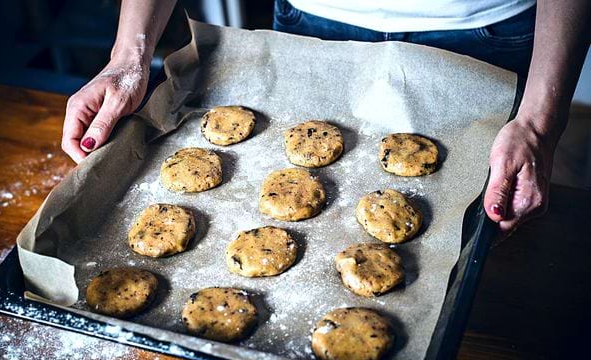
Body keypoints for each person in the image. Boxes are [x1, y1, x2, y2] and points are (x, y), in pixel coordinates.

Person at [61, 0, 590, 237]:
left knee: (483, 227)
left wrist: (539, 124)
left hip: (484, 32)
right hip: (311, 22)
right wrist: (127, 60)